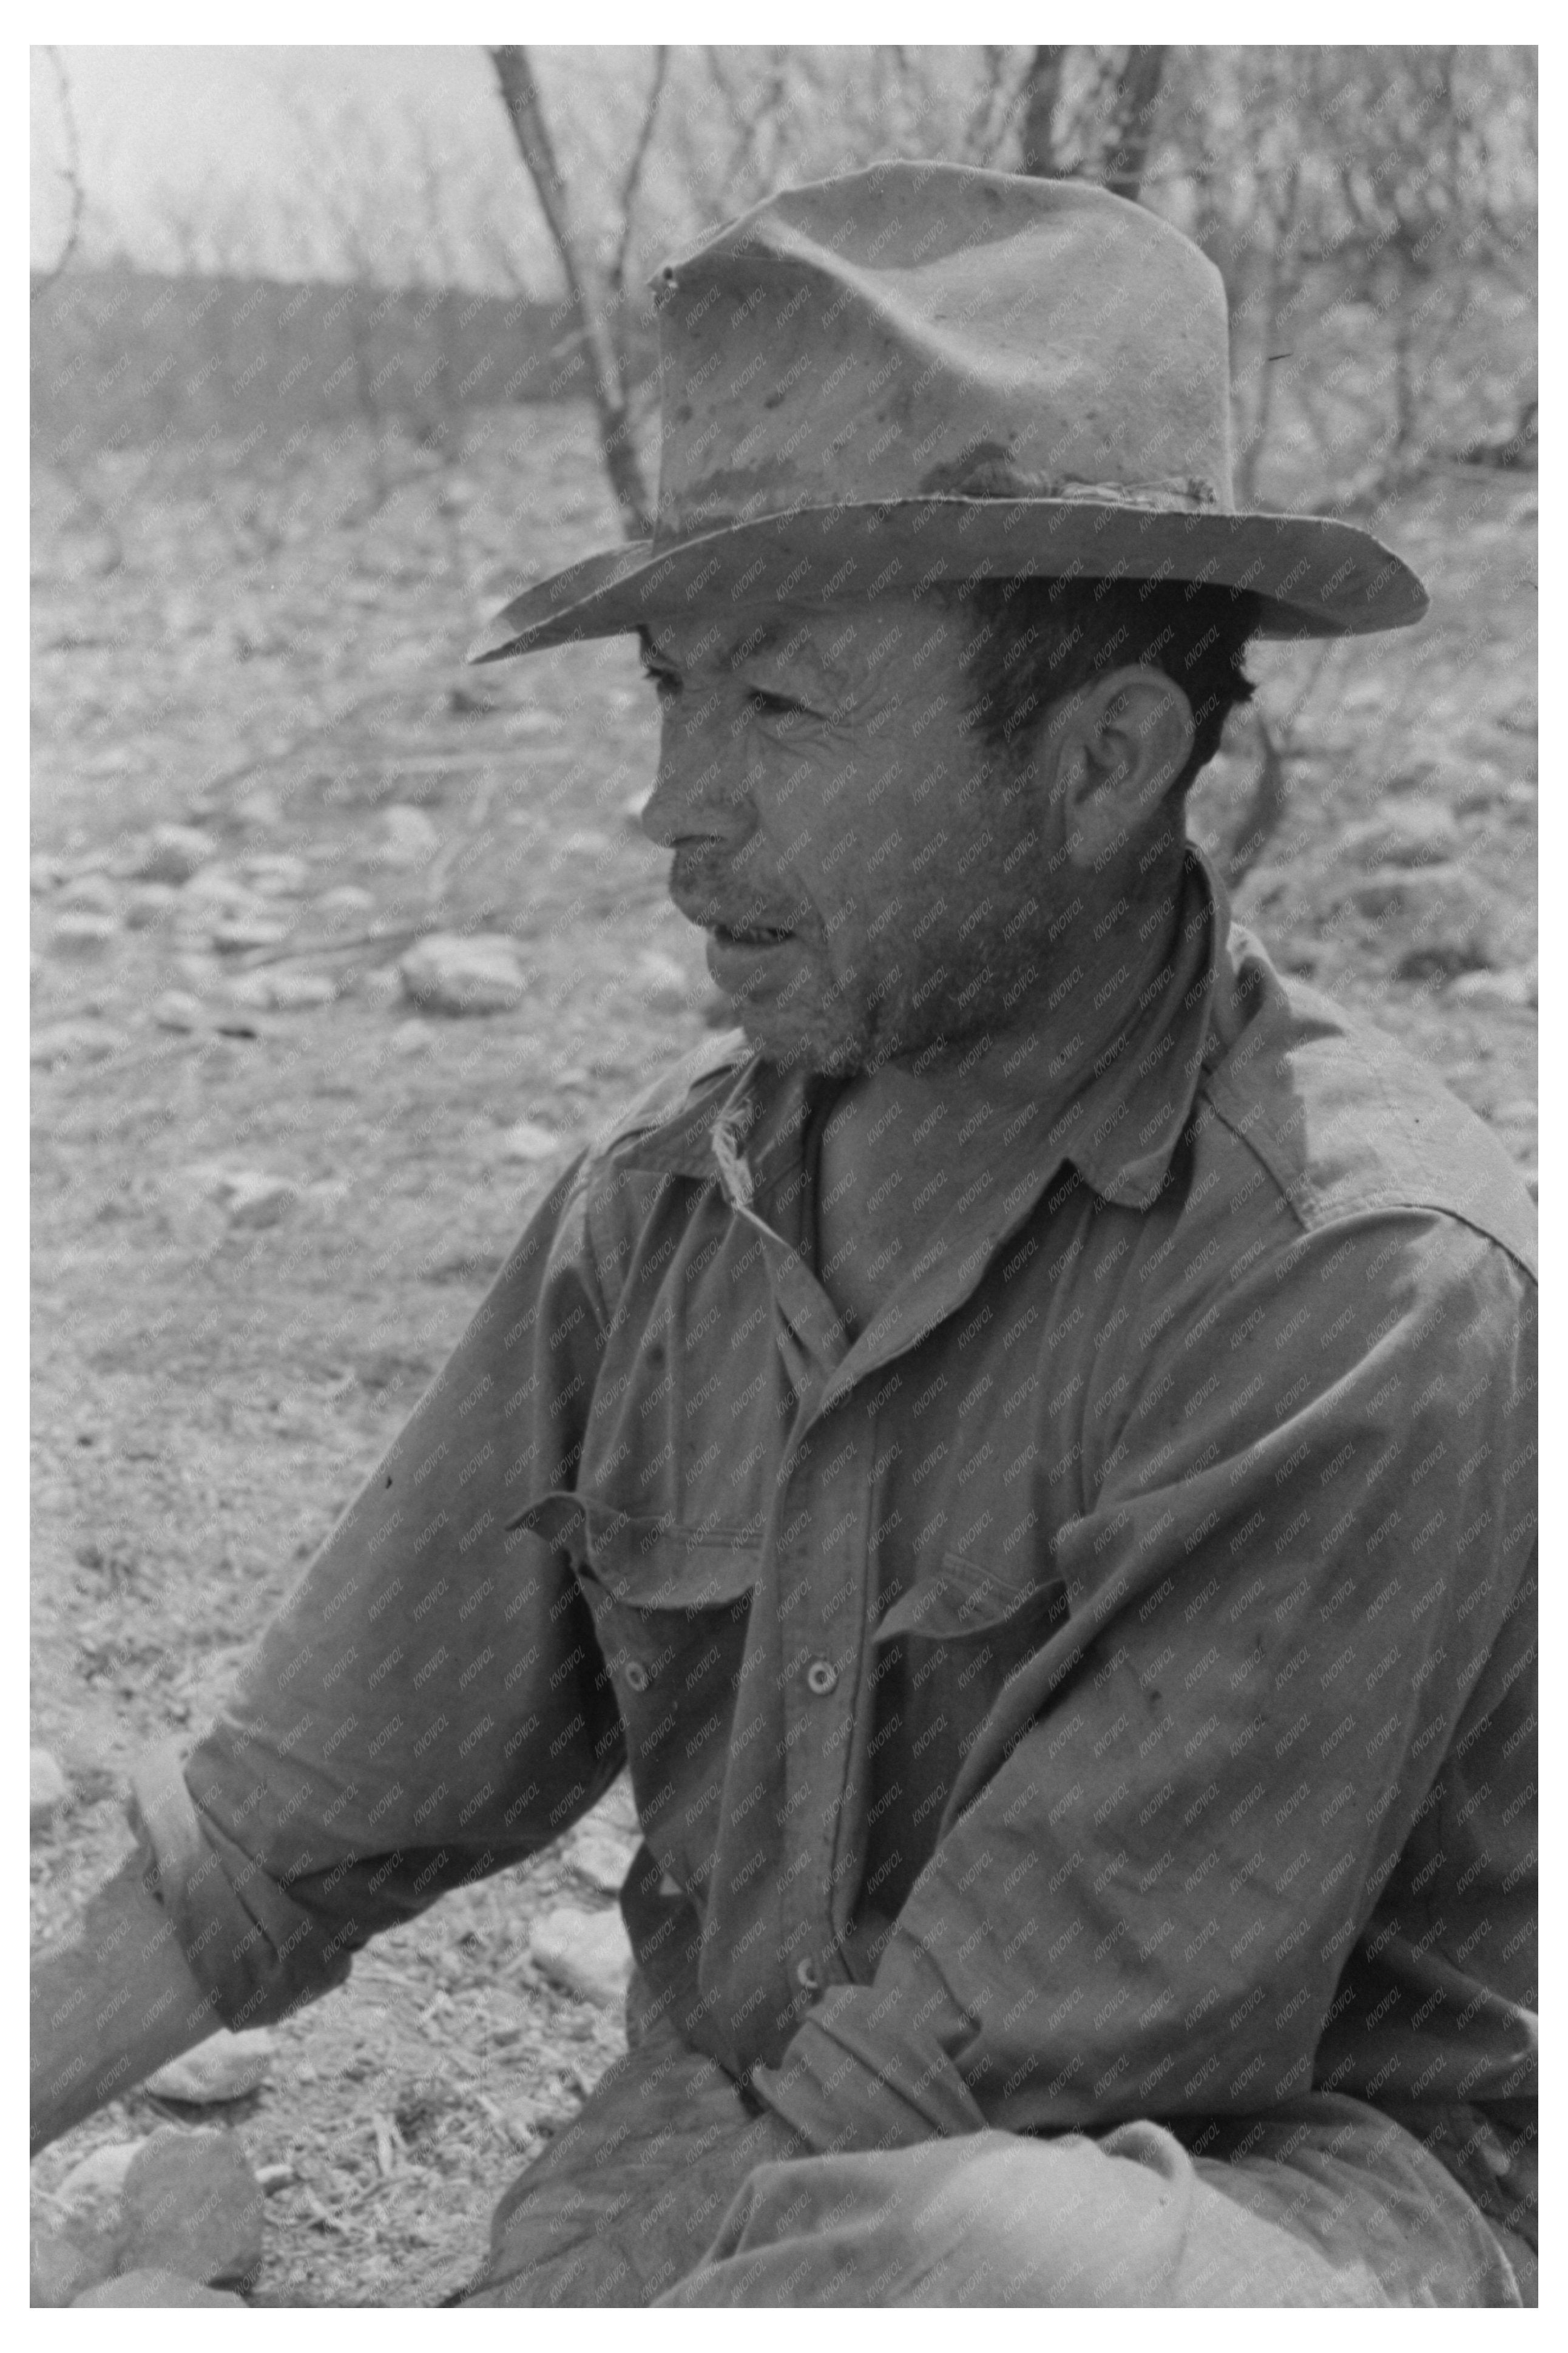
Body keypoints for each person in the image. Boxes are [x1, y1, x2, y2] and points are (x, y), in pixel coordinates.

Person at [32, 164, 1536, 2307]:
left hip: (1255, 2217)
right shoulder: (660, 1219)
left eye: (782, 710)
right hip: (756, 2182)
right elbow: (283, 1832)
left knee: (985, 2260)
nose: (674, 808)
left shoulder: (1361, 1291)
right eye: (672, 692)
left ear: (1105, 765)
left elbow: (961, 2087)